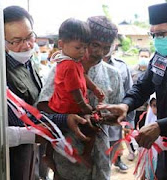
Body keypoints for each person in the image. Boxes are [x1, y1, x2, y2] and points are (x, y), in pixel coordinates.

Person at [97, 2, 167, 179]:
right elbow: (143, 86)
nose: (156, 40)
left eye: (161, 34)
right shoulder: (160, 57)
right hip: (163, 144)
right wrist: (126, 105)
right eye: (153, 34)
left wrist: (161, 125)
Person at [3, 6, 90, 180]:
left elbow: (36, 106)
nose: (26, 45)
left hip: (34, 149)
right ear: (1, 41)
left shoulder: (29, 62)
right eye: (16, 41)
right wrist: (64, 120)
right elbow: (24, 118)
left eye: (29, 37)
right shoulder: (1, 74)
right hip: (13, 155)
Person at [37, 16, 123, 180]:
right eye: (95, 45)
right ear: (84, 42)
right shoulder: (61, 69)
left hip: (101, 162)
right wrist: (68, 118)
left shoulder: (114, 75)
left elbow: (117, 118)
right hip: (67, 162)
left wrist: (105, 117)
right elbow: (42, 110)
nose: (99, 53)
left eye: (106, 48)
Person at [103, 47, 135, 168]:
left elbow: (129, 94)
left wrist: (128, 123)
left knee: (107, 165)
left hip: (114, 126)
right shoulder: (84, 64)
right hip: (92, 126)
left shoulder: (121, 66)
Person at [131, 49, 151, 129]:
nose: (143, 58)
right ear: (138, 57)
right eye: (142, 56)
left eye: (146, 56)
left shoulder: (151, 71)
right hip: (134, 108)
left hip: (147, 108)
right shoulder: (132, 70)